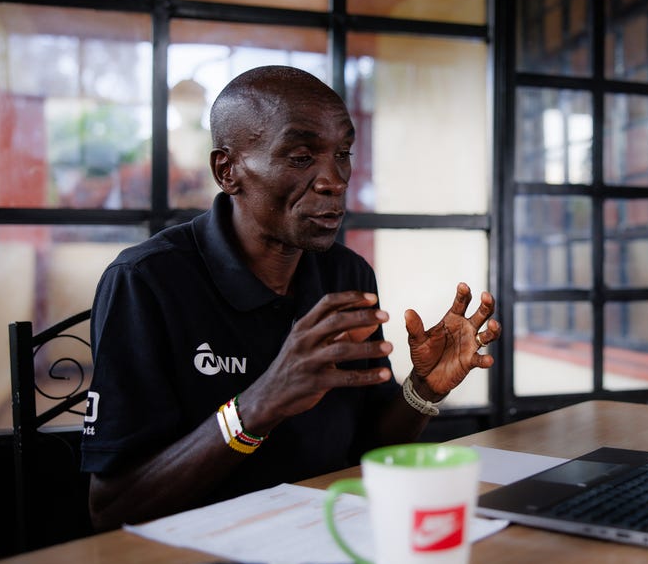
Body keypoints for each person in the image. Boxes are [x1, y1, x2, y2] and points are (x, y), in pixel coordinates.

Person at [81, 65, 501, 531]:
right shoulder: (145, 281)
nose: (334, 180)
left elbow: (368, 449)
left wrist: (423, 389)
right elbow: (112, 508)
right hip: (200, 548)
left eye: (342, 153)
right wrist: (260, 403)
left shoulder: (347, 273)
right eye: (301, 157)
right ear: (228, 171)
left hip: (330, 532)